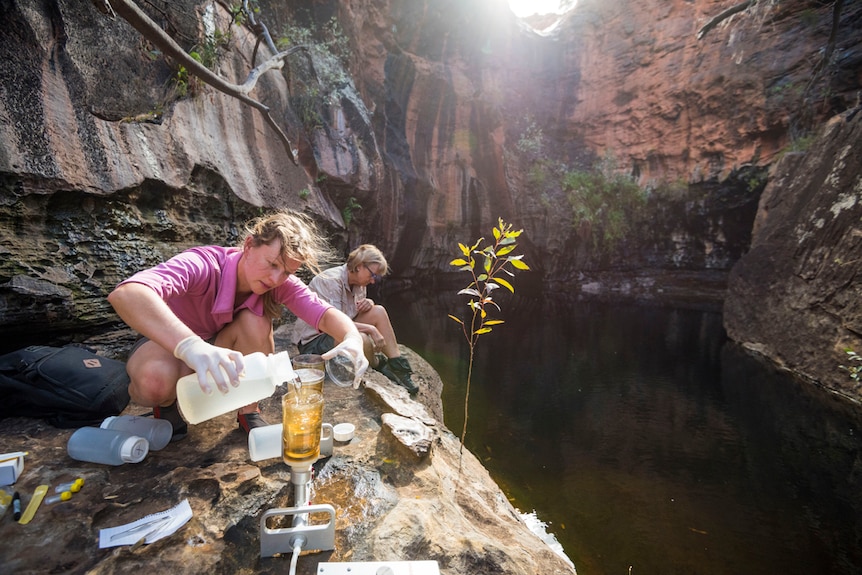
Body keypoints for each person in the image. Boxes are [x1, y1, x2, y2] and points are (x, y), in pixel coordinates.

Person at [107, 210, 369, 441]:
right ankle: (166, 405)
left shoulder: (278, 283)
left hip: (219, 345)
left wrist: (351, 337)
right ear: (248, 245)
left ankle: (248, 409)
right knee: (154, 384)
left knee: (255, 320)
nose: (277, 278)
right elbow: (127, 293)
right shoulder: (204, 265)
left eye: (287, 272)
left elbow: (323, 313)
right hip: (170, 344)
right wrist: (190, 346)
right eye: (272, 264)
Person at [292, 244, 418, 394]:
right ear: (359, 266)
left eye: (376, 277)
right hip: (314, 342)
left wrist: (368, 303)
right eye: (373, 275)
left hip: (336, 333)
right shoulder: (331, 281)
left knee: (378, 311)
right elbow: (334, 324)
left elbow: (351, 314)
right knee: (362, 339)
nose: (373, 281)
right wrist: (372, 329)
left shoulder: (358, 283)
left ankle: (399, 368)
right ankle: (379, 365)